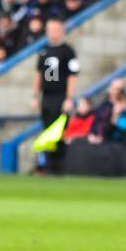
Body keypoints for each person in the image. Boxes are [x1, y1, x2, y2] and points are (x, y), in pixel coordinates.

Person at [32, 17, 78, 174]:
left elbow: (72, 76)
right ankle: (49, 166)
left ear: (62, 31)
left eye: (55, 29)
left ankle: (60, 167)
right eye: (49, 30)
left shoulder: (68, 51)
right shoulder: (44, 50)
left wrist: (69, 98)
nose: (52, 33)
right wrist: (35, 96)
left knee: (59, 131)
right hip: (47, 96)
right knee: (47, 130)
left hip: (60, 96)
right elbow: (39, 74)